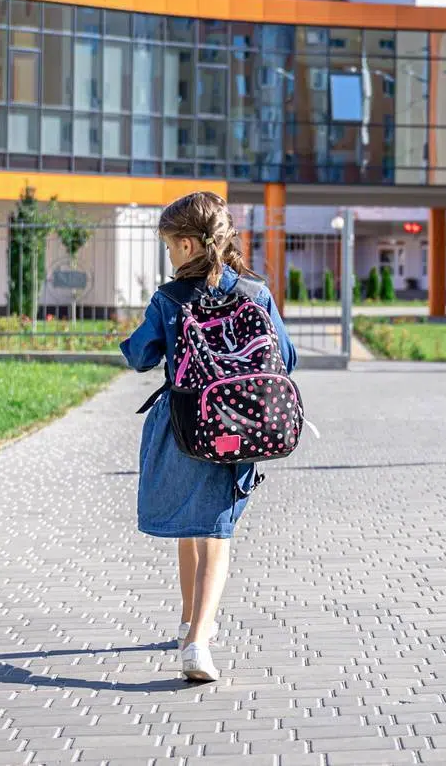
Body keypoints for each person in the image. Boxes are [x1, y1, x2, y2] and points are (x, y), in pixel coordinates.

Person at [120, 191, 297, 682]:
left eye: (169, 245)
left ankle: (191, 631)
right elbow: (288, 356)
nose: (168, 254)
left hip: (185, 426)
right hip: (237, 428)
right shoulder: (256, 293)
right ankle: (197, 636)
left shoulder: (170, 298)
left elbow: (140, 356)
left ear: (184, 244)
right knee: (215, 534)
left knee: (189, 527)